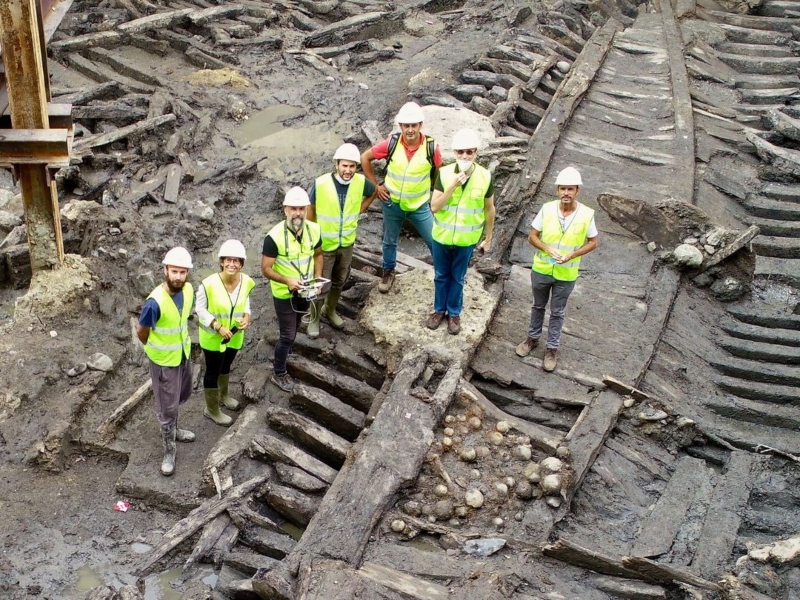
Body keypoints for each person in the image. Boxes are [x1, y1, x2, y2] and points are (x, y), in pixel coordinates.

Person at [516, 167, 598, 372]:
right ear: (557, 190)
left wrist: (572, 254)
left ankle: (552, 348)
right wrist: (546, 247)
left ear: (577, 190)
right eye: (563, 189)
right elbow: (533, 236)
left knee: (558, 312)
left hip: (566, 273)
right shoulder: (547, 209)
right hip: (542, 269)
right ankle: (532, 338)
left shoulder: (587, 214)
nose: (566, 193)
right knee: (538, 305)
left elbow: (593, 242)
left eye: (570, 189)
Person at [361, 101, 443, 293]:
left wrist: (435, 198)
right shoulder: (391, 144)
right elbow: (365, 158)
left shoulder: (431, 148)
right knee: (389, 240)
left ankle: (442, 275)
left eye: (414, 125)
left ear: (420, 126)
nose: (410, 130)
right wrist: (376, 187)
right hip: (392, 203)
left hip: (419, 205)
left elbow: (439, 174)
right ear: (401, 126)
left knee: (434, 240)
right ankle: (388, 272)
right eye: (406, 126)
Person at [428, 129, 495, 335]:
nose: (465, 156)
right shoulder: (446, 173)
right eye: (460, 152)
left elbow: (489, 208)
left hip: (466, 239)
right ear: (455, 153)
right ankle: (439, 310)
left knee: (458, 277)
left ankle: (454, 313)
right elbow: (435, 206)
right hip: (442, 236)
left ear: (475, 153)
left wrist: (488, 237)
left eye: (469, 152)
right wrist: (452, 187)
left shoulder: (484, 176)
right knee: (441, 275)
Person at [305, 143, 376, 338]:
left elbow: (374, 191)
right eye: (344, 166)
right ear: (336, 164)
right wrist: (311, 232)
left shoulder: (361, 182)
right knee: (320, 283)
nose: (348, 170)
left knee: (339, 281)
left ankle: (331, 310)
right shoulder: (321, 183)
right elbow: (310, 207)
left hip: (346, 243)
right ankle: (314, 318)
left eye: (352, 166)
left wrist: (360, 209)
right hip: (324, 245)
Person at [136, 247, 195, 477]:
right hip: (163, 361)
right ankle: (169, 451)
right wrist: (154, 350)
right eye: (174, 272)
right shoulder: (154, 302)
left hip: (182, 354)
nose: (178, 277)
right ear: (165, 271)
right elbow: (142, 332)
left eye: (182, 272)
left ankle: (175, 430)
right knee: (166, 406)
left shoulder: (188, 290)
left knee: (180, 394)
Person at [261, 187, 323, 392]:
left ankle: (286, 351)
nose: (298, 213)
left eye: (301, 209)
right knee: (287, 334)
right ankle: (279, 373)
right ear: (285, 210)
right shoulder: (274, 237)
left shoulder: (314, 230)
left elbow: (318, 255)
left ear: (306, 209)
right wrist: (286, 280)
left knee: (295, 326)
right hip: (284, 293)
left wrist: (317, 279)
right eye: (293, 208)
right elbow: (266, 269)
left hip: (305, 289)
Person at [196, 239, 255, 426]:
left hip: (235, 334)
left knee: (226, 364)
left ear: (241, 264)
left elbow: (245, 301)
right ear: (221, 262)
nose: (232, 264)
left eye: (236, 261)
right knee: (213, 370)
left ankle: (224, 396)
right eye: (228, 260)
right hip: (213, 337)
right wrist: (217, 326)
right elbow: (200, 309)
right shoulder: (208, 284)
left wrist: (247, 316)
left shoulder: (246, 282)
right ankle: (212, 409)